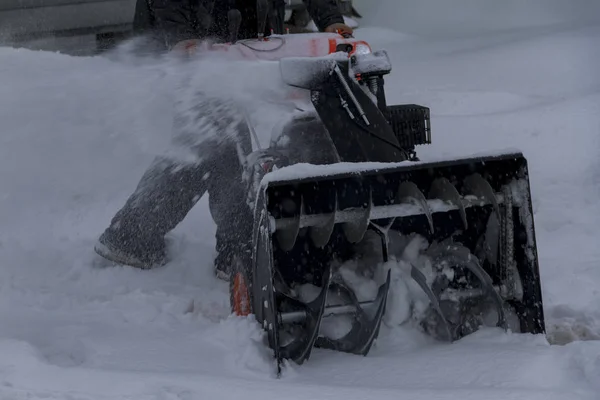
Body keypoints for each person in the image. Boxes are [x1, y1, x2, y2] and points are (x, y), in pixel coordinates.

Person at [94, 0, 353, 280]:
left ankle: (135, 237)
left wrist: (330, 19)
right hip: (192, 36)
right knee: (216, 140)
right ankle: (234, 252)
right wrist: (181, 36)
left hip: (245, 36)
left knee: (214, 140)